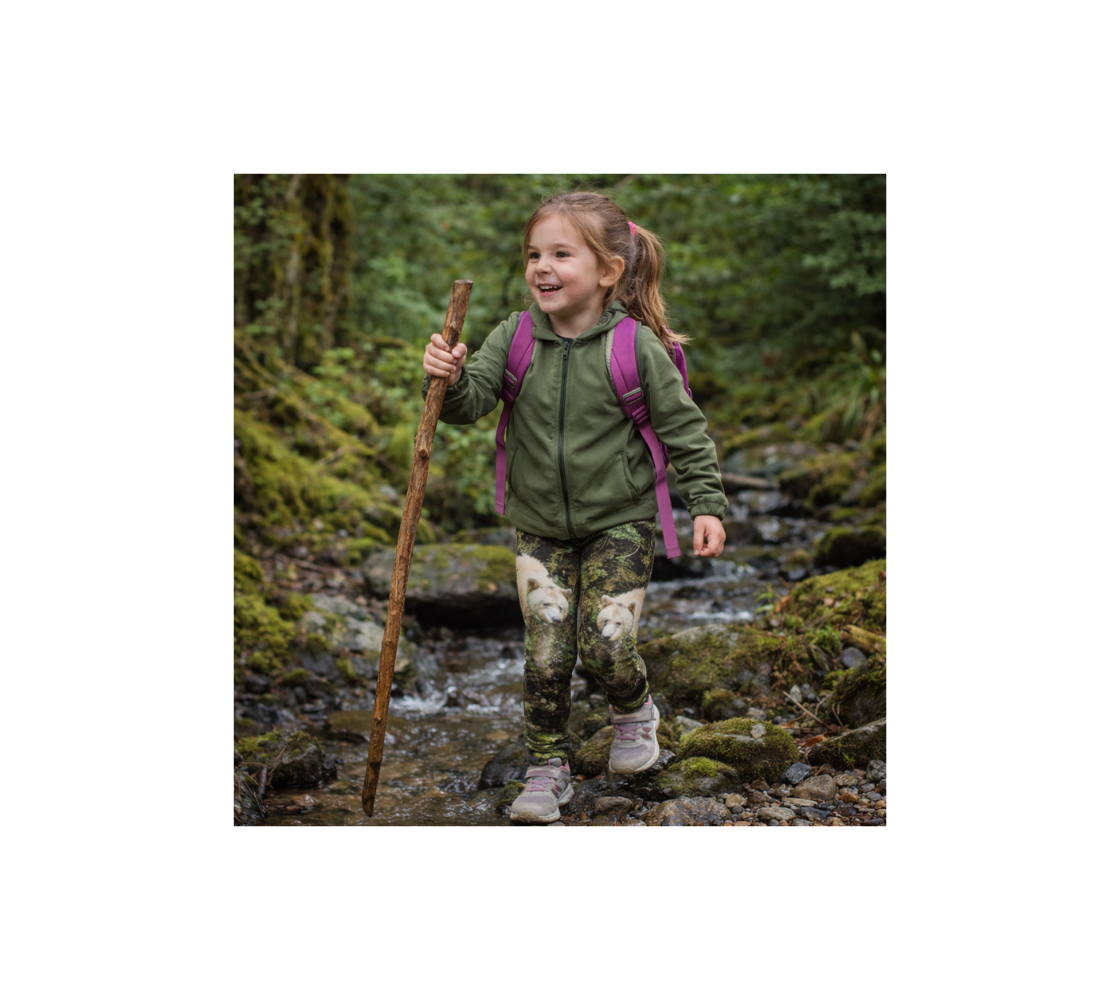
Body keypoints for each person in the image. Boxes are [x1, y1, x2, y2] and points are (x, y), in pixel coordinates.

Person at [422, 191, 727, 823]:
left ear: (609, 270)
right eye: (534, 253)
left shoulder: (635, 347)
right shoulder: (514, 335)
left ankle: (634, 708)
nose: (541, 266)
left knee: (606, 646)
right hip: (539, 527)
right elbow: (470, 403)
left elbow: (685, 430)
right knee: (545, 654)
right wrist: (445, 378)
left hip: (623, 520)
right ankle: (546, 769)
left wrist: (707, 506)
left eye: (562, 253)